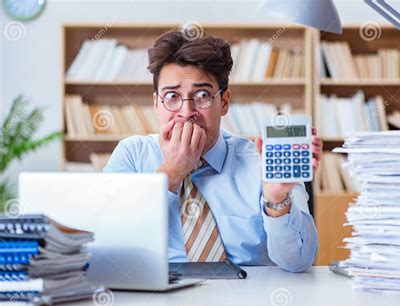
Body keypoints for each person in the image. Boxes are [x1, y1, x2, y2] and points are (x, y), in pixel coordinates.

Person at [103, 30, 323, 272]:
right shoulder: (132, 154)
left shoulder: (261, 162)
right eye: (172, 96)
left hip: (248, 303)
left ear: (224, 102)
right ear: (156, 104)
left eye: (202, 95)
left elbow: (299, 262)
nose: (186, 113)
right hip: (156, 301)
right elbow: (107, 239)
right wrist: (172, 172)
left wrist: (276, 199)